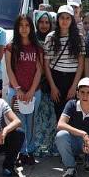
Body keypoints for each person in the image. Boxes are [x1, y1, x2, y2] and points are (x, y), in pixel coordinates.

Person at [6, 13, 43, 166]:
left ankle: (30, 151)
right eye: (21, 25)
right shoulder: (11, 46)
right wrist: (19, 89)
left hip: (34, 92)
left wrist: (31, 91)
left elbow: (39, 71)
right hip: (16, 92)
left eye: (27, 25)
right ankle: (20, 152)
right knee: (19, 123)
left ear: (31, 27)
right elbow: (9, 69)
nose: (24, 28)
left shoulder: (37, 47)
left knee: (31, 123)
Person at [44, 5, 86, 121]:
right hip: (56, 78)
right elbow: (46, 65)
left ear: (72, 20)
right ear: (57, 19)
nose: (65, 21)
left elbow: (81, 64)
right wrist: (52, 86)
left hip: (73, 78)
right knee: (58, 113)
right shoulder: (50, 37)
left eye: (68, 18)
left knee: (73, 113)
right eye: (62, 17)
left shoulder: (79, 38)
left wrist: (74, 87)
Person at [32, 10, 59, 158]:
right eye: (41, 22)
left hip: (52, 83)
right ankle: (37, 146)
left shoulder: (54, 39)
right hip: (36, 85)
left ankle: (52, 146)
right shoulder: (32, 39)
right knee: (38, 118)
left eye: (47, 22)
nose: (44, 25)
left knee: (52, 117)